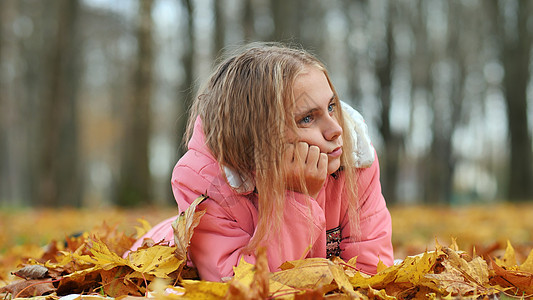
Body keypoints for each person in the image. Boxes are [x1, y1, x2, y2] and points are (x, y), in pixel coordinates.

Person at [128, 43, 394, 281]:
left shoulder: (355, 160)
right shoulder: (205, 183)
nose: (335, 128)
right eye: (307, 118)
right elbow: (242, 286)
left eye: (332, 106)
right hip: (156, 256)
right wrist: (296, 196)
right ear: (258, 133)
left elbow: (371, 272)